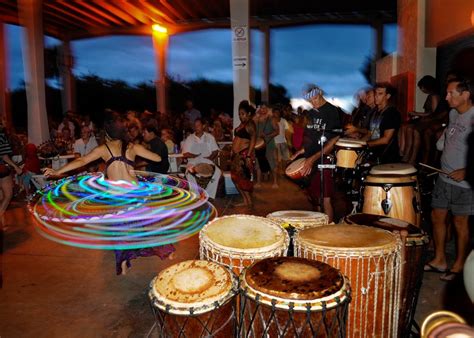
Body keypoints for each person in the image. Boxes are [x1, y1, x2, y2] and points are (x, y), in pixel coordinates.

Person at [44, 110, 174, 275]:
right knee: (143, 225)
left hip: (118, 194)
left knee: (119, 230)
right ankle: (167, 251)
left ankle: (125, 262)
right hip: (134, 192)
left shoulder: (104, 149)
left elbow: (82, 160)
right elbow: (157, 158)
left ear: (107, 132)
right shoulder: (133, 147)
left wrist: (57, 171)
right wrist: (142, 152)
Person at [425, 78, 474, 281]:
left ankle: (460, 264)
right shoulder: (454, 114)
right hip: (443, 177)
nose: (446, 97)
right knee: (437, 217)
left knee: (460, 223)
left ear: (465, 95)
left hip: (464, 183)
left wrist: (467, 170)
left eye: (451, 93)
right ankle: (439, 259)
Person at [291, 84, 342, 222]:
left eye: (314, 98)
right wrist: (300, 152)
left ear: (319, 92)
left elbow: (332, 142)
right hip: (312, 159)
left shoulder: (332, 111)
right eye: (309, 100)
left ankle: (329, 232)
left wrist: (312, 159)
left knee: (326, 199)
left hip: (325, 160)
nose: (312, 102)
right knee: (315, 199)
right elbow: (311, 140)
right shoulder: (312, 113)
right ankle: (317, 229)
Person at [182, 118, 221, 199]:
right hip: (193, 161)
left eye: (198, 125)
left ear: (203, 126)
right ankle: (196, 195)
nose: (196, 127)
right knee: (189, 173)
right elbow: (185, 153)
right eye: (195, 126)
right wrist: (195, 156)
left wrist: (210, 158)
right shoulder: (190, 138)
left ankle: (209, 195)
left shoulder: (209, 137)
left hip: (207, 160)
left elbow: (215, 151)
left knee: (217, 172)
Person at [366, 82, 401, 164]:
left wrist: (366, 144)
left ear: (388, 96)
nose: (376, 96)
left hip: (386, 157)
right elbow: (369, 134)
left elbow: (386, 140)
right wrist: (359, 143)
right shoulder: (374, 112)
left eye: (380, 94)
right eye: (375, 93)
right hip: (373, 153)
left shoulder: (392, 113)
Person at [231, 100, 257, 208]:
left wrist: (248, 156)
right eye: (239, 114)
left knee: (243, 180)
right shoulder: (242, 124)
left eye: (242, 114)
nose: (240, 116)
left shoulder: (250, 124)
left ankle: (249, 202)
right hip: (236, 156)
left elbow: (253, 140)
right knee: (235, 179)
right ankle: (245, 201)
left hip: (244, 155)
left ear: (249, 114)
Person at [273, 106, 290, 173]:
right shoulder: (271, 121)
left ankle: (284, 171)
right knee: (278, 159)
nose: (276, 113)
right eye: (275, 112)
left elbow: (287, 132)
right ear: (273, 113)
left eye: (278, 112)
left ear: (280, 113)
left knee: (285, 158)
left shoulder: (283, 120)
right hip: (275, 142)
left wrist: (288, 142)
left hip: (283, 141)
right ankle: (280, 173)